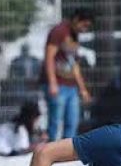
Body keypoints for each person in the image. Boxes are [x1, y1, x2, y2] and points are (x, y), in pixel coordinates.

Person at [40, 8, 93, 141]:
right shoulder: (59, 31)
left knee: (72, 122)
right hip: (57, 84)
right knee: (55, 122)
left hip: (71, 86)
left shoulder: (75, 35)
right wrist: (52, 83)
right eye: (84, 25)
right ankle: (52, 151)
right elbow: (49, 57)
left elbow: (75, 64)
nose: (85, 29)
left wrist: (83, 89)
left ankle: (66, 153)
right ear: (76, 19)